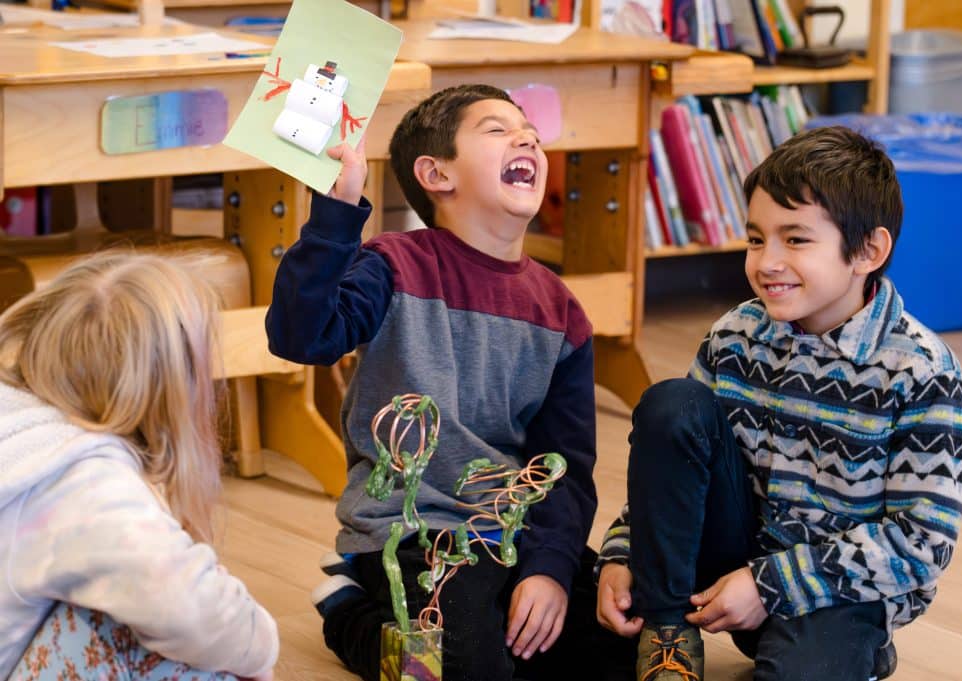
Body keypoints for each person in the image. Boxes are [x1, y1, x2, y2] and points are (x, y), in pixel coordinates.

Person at [266, 83, 633, 681]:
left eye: (531, 135)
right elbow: (301, 337)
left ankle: (472, 624)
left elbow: (565, 464)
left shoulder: (561, 311)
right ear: (435, 174)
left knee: (622, 650)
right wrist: (335, 216)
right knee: (464, 668)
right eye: (496, 129)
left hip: (506, 530)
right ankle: (350, 611)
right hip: (411, 531)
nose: (527, 140)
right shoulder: (392, 265)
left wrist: (548, 570)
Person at [595, 126, 962, 681]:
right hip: (729, 563)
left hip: (837, 592)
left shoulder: (921, 370)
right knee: (672, 404)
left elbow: (921, 542)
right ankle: (669, 632)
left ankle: (859, 650)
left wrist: (771, 586)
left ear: (868, 250)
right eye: (755, 239)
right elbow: (674, 471)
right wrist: (624, 553)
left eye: (794, 240)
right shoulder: (734, 335)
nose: (766, 261)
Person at [0, 252, 278, 681]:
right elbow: (193, 608)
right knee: (145, 631)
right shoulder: (84, 483)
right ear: (174, 392)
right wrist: (262, 649)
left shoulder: (19, 421)